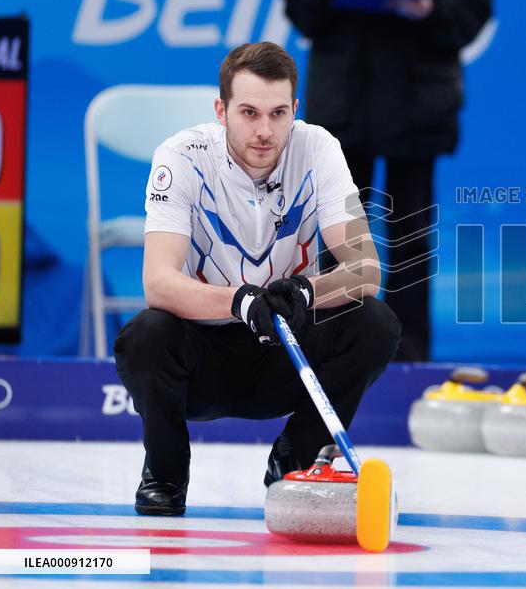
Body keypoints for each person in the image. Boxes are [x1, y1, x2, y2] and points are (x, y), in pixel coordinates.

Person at [114, 42, 400, 516]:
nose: (265, 131)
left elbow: (367, 269)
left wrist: (307, 291)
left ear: (295, 110)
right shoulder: (182, 156)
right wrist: (241, 302)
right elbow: (158, 283)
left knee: (375, 322)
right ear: (221, 110)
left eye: (278, 113)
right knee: (146, 334)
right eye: (248, 112)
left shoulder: (319, 149)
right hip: (202, 360)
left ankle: (295, 459)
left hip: (286, 352)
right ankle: (164, 474)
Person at [281, 0, 492, 361]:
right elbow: (298, 6)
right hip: (345, 103)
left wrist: (431, 9)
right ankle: (335, 347)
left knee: (411, 235)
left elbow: (475, 6)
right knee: (338, 236)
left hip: (416, 104)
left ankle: (408, 354)